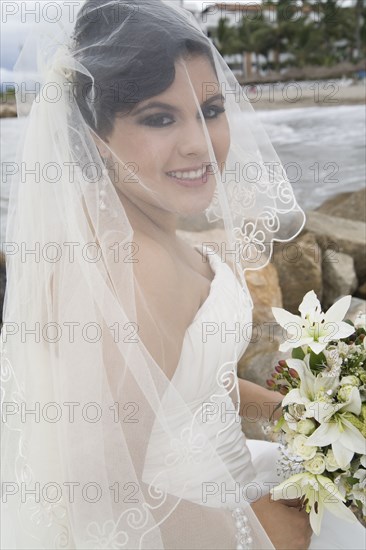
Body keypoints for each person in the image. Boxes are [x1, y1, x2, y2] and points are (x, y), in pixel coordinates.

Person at [1, 1, 364, 549]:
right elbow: (100, 498)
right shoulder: (133, 272)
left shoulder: (152, 239)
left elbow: (182, 388)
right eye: (159, 118)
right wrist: (266, 528)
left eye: (210, 109)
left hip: (229, 483)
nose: (199, 143)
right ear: (95, 138)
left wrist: (305, 414)